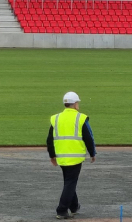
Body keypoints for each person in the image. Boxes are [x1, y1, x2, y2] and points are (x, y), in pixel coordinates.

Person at [47, 91, 96, 220]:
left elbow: (49, 139)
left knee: (69, 182)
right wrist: (92, 153)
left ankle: (74, 207)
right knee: (70, 183)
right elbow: (88, 137)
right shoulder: (80, 118)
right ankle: (62, 210)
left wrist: (52, 155)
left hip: (62, 157)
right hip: (75, 157)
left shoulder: (56, 118)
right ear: (74, 104)